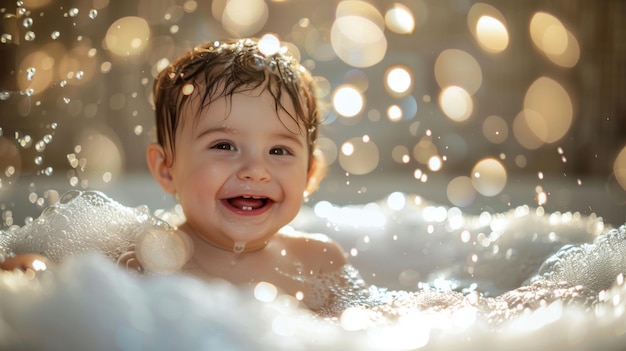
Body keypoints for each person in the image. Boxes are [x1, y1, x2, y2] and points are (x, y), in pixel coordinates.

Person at [145, 36, 350, 312]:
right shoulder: (149, 264)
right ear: (166, 169)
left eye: (278, 151)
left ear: (309, 175)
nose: (255, 171)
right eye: (224, 146)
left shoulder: (321, 264)